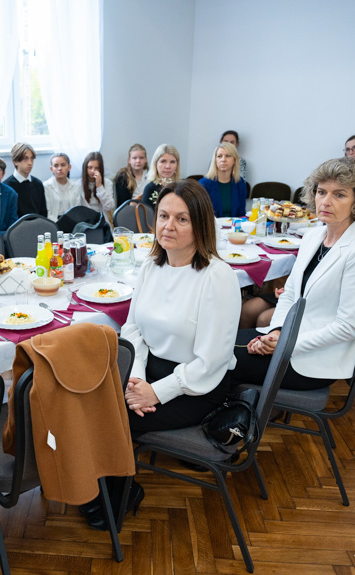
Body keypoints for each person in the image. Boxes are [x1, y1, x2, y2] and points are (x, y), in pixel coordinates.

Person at [83, 180, 240, 530]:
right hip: (149, 368)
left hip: (197, 384)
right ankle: (103, 488)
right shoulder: (151, 266)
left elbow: (211, 360)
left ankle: (120, 494)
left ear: (200, 225)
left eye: (181, 219)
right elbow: (133, 329)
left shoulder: (218, 277)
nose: (168, 226)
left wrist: (157, 391)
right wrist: (136, 376)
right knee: (92, 396)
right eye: (164, 216)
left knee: (114, 415)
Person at [232, 157, 355, 392]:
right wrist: (276, 331)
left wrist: (285, 344)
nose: (326, 201)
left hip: (315, 359)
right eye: (321, 192)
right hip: (288, 338)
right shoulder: (313, 236)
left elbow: (347, 327)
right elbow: (290, 294)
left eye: (339, 194)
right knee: (216, 347)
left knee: (222, 361)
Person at [199, 142, 248, 218]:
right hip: (212, 228)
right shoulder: (204, 184)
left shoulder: (240, 182)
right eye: (219, 156)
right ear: (215, 160)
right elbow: (200, 214)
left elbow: (241, 213)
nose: (223, 159)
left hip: (234, 227)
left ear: (234, 160)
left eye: (228, 156)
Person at [4, 142, 47, 217]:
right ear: (15, 161)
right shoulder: (7, 186)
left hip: (38, 226)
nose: (30, 163)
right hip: (18, 227)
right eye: (25, 158)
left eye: (32, 159)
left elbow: (43, 212)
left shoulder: (38, 184)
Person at [43, 152, 81, 221]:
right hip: (53, 223)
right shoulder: (46, 186)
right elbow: (47, 213)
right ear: (51, 169)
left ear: (69, 167)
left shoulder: (75, 186)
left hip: (72, 222)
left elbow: (77, 210)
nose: (60, 168)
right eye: (56, 166)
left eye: (63, 165)